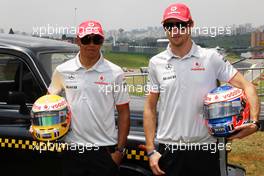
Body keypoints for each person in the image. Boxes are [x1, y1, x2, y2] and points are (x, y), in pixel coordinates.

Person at [143, 3, 260, 176]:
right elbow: (149, 108)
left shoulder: (210, 57)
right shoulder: (156, 63)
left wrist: (255, 123)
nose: (175, 30)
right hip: (169, 149)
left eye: (180, 25)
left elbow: (247, 86)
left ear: (190, 25)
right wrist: (151, 150)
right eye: (169, 25)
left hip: (205, 149)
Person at [48, 20, 130, 176]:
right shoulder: (62, 70)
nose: (92, 44)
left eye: (96, 39)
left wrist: (119, 151)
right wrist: (39, 126)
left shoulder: (116, 72)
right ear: (78, 41)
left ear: (102, 41)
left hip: (105, 151)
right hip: (73, 150)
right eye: (86, 39)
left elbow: (124, 112)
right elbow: (49, 101)